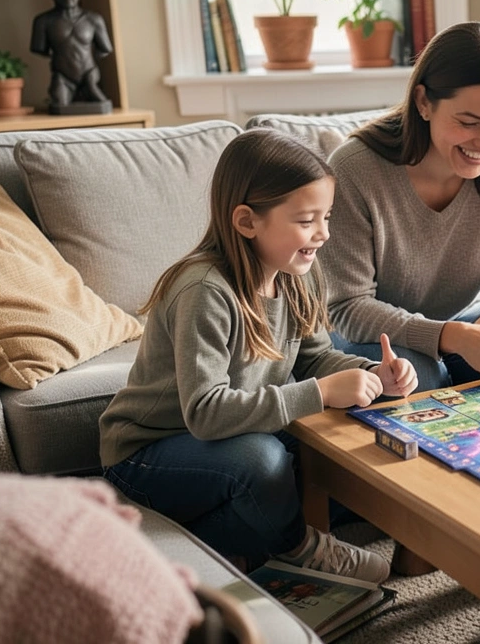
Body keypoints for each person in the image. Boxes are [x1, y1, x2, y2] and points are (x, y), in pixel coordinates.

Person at [98, 129, 418, 582]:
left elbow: (313, 360)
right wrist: (321, 393)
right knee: (263, 460)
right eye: (307, 220)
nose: (324, 234)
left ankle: (230, 550)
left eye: (326, 217)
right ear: (247, 222)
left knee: (334, 434)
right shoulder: (205, 290)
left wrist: (372, 374)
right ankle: (298, 546)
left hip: (222, 438)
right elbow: (205, 414)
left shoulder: (296, 272)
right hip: (145, 454)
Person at [318, 21, 480, 391]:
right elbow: (348, 308)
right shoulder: (355, 169)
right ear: (424, 102)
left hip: (470, 320)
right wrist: (453, 338)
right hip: (371, 337)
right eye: (469, 122)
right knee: (417, 373)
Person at [30, 0, 113, 111]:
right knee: (59, 105)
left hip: (90, 74)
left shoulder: (93, 19)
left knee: (100, 100)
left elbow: (105, 49)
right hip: (63, 77)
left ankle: (90, 87)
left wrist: (89, 65)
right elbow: (39, 49)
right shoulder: (43, 22)